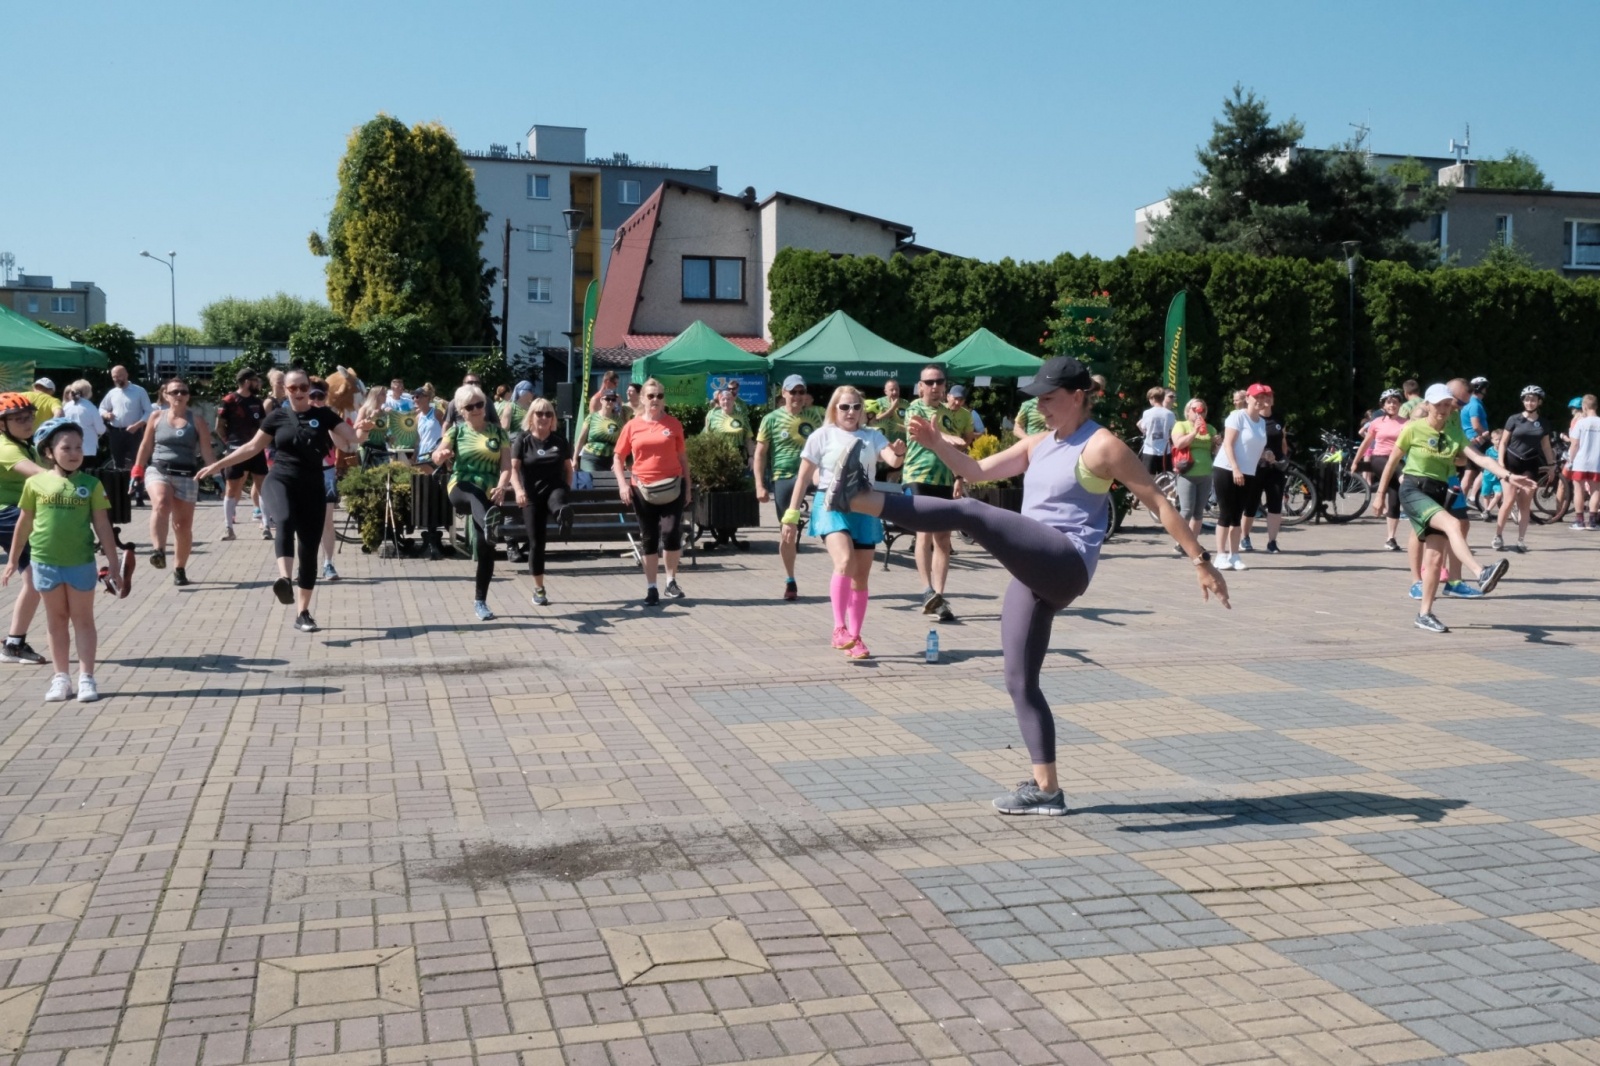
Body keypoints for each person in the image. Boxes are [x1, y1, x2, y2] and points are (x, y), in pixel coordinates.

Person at [826, 355, 1229, 814]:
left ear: (1078, 397)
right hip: (1033, 571)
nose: (1040, 407)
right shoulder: (1039, 442)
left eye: (1050, 398)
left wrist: (1200, 559)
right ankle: (1047, 790)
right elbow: (975, 472)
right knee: (1019, 681)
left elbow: (1157, 500)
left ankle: (858, 497)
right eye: (1037, 399)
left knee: (969, 512)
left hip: (1065, 562)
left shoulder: (1102, 446)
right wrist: (937, 442)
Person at [198, 369, 363, 633]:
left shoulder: (323, 415)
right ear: (284, 390)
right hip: (281, 480)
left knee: (309, 550)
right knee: (284, 520)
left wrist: (364, 425)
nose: (299, 392)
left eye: (303, 387)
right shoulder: (276, 417)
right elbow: (252, 447)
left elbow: (353, 440)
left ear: (309, 388)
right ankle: (284, 579)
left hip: (313, 485)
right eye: (293, 388)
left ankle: (303, 613)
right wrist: (218, 463)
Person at [1374, 383, 1526, 634]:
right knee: (1454, 524)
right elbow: (1391, 461)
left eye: (1447, 404)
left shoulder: (1454, 433)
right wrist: (1379, 495)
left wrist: (1508, 476)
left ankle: (1424, 614)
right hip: (1413, 489)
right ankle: (1480, 572)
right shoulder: (1413, 428)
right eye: (1438, 405)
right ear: (1428, 405)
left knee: (1434, 559)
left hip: (1439, 491)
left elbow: (1481, 459)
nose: (1444, 409)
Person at [0, 419, 122, 702]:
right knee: (56, 620)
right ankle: (61, 678)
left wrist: (114, 563)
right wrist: (12, 559)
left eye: (78, 447)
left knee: (83, 620)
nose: (74, 452)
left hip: (80, 562)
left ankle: (87, 677)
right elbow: (24, 523)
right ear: (48, 452)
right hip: (45, 563)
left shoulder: (91, 484)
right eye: (65, 447)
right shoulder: (35, 483)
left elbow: (103, 525)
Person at [785, 386, 905, 659]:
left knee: (860, 577)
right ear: (834, 409)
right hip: (831, 504)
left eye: (855, 407)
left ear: (863, 410)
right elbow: (803, 478)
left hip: (865, 507)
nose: (850, 412)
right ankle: (839, 629)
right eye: (844, 407)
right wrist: (790, 516)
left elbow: (891, 460)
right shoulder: (821, 436)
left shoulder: (872, 436)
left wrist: (898, 453)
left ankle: (855, 637)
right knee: (844, 562)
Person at [431, 383, 513, 620]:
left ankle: (481, 602)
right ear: (461, 410)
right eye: (471, 406)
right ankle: (490, 525)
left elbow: (506, 466)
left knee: (485, 548)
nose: (478, 409)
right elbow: (437, 455)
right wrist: (441, 455)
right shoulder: (456, 432)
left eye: (481, 404)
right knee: (475, 495)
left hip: (490, 491)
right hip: (461, 487)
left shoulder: (499, 433)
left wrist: (502, 484)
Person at [903, 365, 974, 622]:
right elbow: (919, 428)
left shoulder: (951, 414)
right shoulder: (914, 408)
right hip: (919, 476)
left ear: (945, 385)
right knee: (924, 532)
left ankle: (939, 597)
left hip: (945, 478)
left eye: (939, 382)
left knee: (943, 538)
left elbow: (957, 450)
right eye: (929, 382)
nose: (934, 387)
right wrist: (945, 437)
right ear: (921, 385)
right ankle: (926, 589)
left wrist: (958, 476)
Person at [132, 378, 217, 586]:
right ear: (166, 395)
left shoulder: (196, 420)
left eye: (184, 392)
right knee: (161, 502)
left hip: (187, 474)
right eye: (175, 392)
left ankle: (179, 569)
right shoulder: (156, 417)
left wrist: (216, 475)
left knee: (182, 526)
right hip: (159, 469)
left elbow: (206, 450)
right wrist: (137, 471)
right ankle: (158, 550)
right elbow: (145, 447)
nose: (179, 395)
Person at [614, 378, 691, 606]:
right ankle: (651, 588)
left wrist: (688, 486)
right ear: (643, 399)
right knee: (649, 538)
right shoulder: (632, 426)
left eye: (659, 396)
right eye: (650, 396)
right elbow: (618, 457)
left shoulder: (674, 425)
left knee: (670, 532)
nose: (655, 400)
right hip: (642, 489)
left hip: (672, 487)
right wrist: (622, 484)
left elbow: (682, 458)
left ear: (663, 398)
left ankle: (671, 581)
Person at [754, 375, 826, 601]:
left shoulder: (815, 415)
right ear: (783, 393)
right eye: (792, 392)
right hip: (784, 476)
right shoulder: (771, 419)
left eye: (800, 392)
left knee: (833, 515)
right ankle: (790, 579)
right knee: (788, 532)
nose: (797, 396)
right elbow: (760, 454)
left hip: (813, 473)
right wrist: (760, 485)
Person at [0, 395, 48, 666]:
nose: (27, 422)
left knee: (34, 579)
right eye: (19, 419)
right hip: (7, 513)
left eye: (29, 416)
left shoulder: (25, 444)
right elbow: (40, 476)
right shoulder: (6, 448)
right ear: (2, 425)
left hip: (14, 511)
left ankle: (14, 643)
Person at [510, 398, 572, 606]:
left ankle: (563, 516)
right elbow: (513, 470)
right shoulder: (523, 440)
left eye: (548, 414)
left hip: (554, 489)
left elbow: (569, 469)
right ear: (532, 416)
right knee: (536, 544)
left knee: (559, 500)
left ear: (553, 418)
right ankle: (539, 588)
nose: (544, 418)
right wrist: (518, 490)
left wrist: (567, 487)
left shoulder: (559, 440)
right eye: (539, 413)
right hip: (532, 495)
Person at [1210, 384, 1272, 571]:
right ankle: (1220, 555)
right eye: (1257, 397)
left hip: (1248, 472)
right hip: (1227, 469)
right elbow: (1228, 444)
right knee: (1226, 514)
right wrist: (1235, 468)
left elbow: (1252, 447)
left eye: (1264, 397)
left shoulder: (1260, 422)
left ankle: (1234, 555)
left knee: (1237, 515)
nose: (1260, 401)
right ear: (1248, 398)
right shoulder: (1237, 416)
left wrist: (1266, 454)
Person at [1494, 385, 1556, 551]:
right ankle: (1498, 535)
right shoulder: (1514, 419)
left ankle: (1521, 540)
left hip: (1530, 464)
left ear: (1539, 402)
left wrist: (1551, 466)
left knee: (1525, 503)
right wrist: (1500, 462)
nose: (1529, 402)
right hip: (1511, 463)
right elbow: (1503, 442)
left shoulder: (1543, 423)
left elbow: (1546, 446)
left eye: (1533, 399)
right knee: (1508, 500)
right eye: (1527, 399)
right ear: (1523, 401)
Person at [214, 367, 269, 541]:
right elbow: (219, 426)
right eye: (255, 380)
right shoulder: (229, 400)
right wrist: (229, 445)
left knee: (263, 488)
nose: (257, 384)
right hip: (235, 450)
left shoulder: (257, 402)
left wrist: (260, 444)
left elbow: (263, 426)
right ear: (246, 382)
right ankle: (228, 528)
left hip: (256, 450)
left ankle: (266, 526)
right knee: (232, 489)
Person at [1354, 388, 1407, 550]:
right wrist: (1356, 461)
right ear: (1383, 405)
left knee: (1395, 497)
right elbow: (1366, 442)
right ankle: (1404, 486)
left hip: (1397, 459)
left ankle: (1391, 538)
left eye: (1395, 402)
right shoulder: (1377, 422)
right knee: (1401, 475)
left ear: (1400, 405)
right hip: (1380, 459)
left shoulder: (1407, 423)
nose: (1392, 405)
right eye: (1389, 402)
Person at [1241, 389, 1288, 554]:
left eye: (1270, 396)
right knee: (1251, 504)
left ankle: (1272, 541)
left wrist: (1284, 457)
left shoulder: (1278, 419)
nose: (1267, 399)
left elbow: (1283, 440)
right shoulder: (1253, 419)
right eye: (1264, 396)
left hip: (1275, 468)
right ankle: (1245, 537)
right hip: (1255, 467)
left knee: (1275, 503)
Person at [99, 365, 153, 504]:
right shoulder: (112, 393)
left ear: (127, 374)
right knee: (118, 465)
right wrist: (106, 414)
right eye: (114, 377)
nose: (117, 379)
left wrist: (138, 425)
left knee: (138, 463)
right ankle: (122, 496)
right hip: (116, 432)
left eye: (119, 376)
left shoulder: (139, 391)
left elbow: (149, 412)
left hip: (134, 432)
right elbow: (102, 408)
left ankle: (139, 496)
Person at [1169, 397, 1217, 550]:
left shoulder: (1210, 428)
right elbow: (1179, 443)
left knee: (1198, 512)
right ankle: (1180, 541)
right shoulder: (1181, 425)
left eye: (1202, 410)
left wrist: (1217, 443)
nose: (1198, 413)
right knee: (1186, 510)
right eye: (1195, 410)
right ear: (1187, 411)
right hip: (1187, 473)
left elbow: (1213, 451)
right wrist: (1195, 431)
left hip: (1206, 473)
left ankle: (1192, 543)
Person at [573, 390, 623, 484]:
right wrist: (575, 459)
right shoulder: (591, 417)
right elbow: (581, 439)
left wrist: (619, 461)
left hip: (610, 459)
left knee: (607, 486)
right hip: (591, 457)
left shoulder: (619, 421)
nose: (610, 402)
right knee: (589, 482)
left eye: (613, 399)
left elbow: (622, 443)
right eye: (608, 399)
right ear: (601, 400)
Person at [1569, 395, 1600, 530]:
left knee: (1578, 490)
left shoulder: (1581, 422)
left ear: (1584, 407)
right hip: (1597, 461)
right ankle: (1593, 522)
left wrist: (1570, 459)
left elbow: (1575, 444)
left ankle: (1579, 521)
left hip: (1580, 462)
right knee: (1595, 490)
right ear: (1596, 406)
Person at [1460, 376, 1492, 509]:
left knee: (1469, 473)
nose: (1486, 391)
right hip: (1478, 441)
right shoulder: (1475, 404)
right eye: (1485, 388)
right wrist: (1487, 436)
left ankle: (1459, 502)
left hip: (1470, 441)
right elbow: (1476, 425)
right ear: (1481, 388)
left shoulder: (1468, 403)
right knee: (1489, 468)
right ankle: (1473, 498)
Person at [61, 381, 106, 466]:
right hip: (87, 449)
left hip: (69, 446)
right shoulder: (90, 407)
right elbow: (100, 430)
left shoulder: (66, 406)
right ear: (88, 392)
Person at [1137, 385, 1175, 477]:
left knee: (1150, 480)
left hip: (1150, 450)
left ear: (1152, 398)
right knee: (1167, 480)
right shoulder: (1170, 414)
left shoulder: (1147, 413)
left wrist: (1146, 433)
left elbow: (1141, 425)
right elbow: (1172, 430)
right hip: (1165, 451)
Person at [703, 389, 753, 458]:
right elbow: (707, 438)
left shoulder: (742, 416)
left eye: (729, 399)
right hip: (718, 455)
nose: (726, 401)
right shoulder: (711, 415)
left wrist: (751, 457)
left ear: (733, 401)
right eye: (723, 399)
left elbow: (748, 439)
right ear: (720, 402)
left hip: (739, 456)